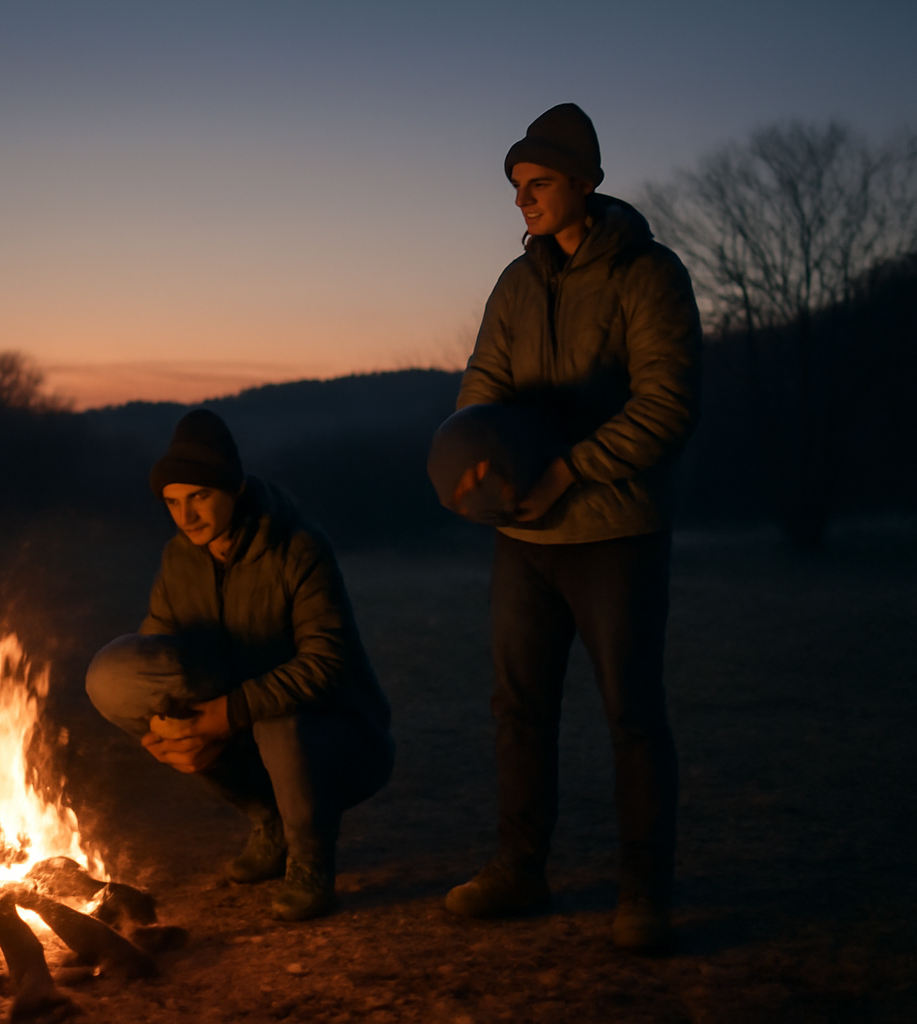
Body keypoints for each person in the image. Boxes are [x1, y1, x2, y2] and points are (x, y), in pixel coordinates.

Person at [444, 103, 702, 951]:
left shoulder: (648, 274)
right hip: (525, 540)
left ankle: (643, 894)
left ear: (586, 181)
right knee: (517, 709)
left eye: (540, 182)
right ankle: (521, 870)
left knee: (632, 713)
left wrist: (567, 468)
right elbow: (482, 384)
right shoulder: (515, 285)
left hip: (616, 535)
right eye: (517, 186)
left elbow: (666, 406)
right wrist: (472, 462)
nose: (523, 199)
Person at [86, 410, 393, 921]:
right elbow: (157, 643)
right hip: (245, 725)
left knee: (278, 719)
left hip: (338, 734)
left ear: (234, 487)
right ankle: (269, 820)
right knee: (124, 679)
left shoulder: (298, 547)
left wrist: (221, 716)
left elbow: (324, 663)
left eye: (200, 496)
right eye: (173, 503)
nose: (187, 516)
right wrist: (164, 727)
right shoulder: (179, 558)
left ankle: (310, 859)